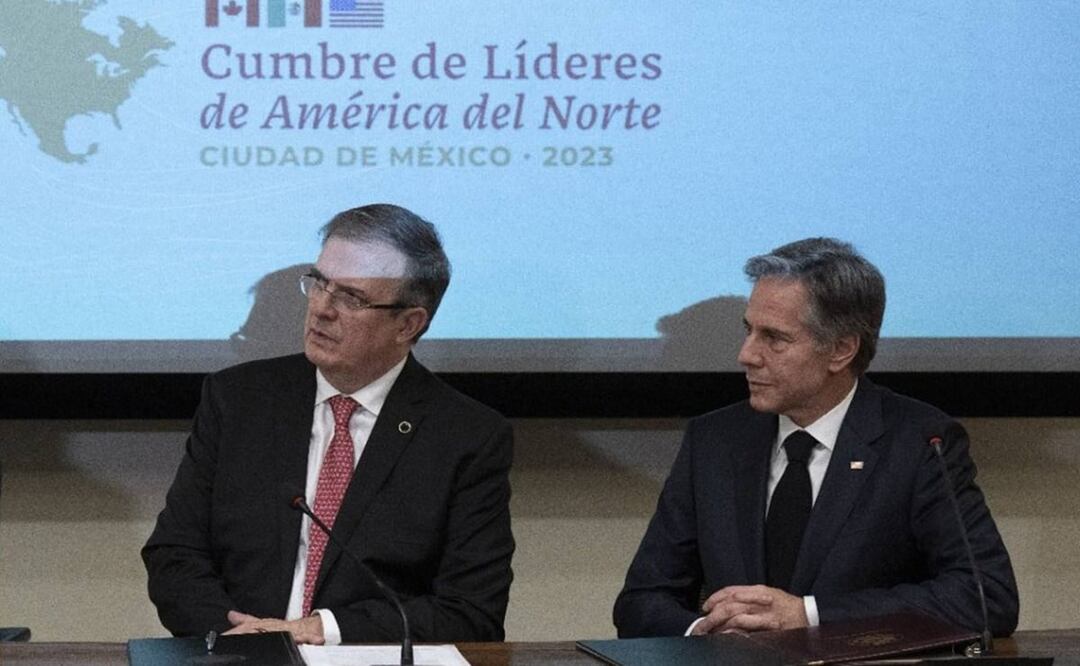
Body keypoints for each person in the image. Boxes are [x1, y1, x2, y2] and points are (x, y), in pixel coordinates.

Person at [143, 204, 514, 644]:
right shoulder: (239, 400)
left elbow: (471, 611)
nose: (321, 309)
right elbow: (174, 554)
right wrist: (235, 628)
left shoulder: (466, 436)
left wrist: (321, 629)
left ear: (409, 324)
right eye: (319, 284)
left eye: (351, 298)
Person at [613, 238, 1018, 638]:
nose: (747, 355)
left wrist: (808, 614)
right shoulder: (714, 440)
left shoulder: (919, 443)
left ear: (841, 350)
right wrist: (705, 630)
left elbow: (986, 597)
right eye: (749, 331)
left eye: (775, 338)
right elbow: (641, 601)